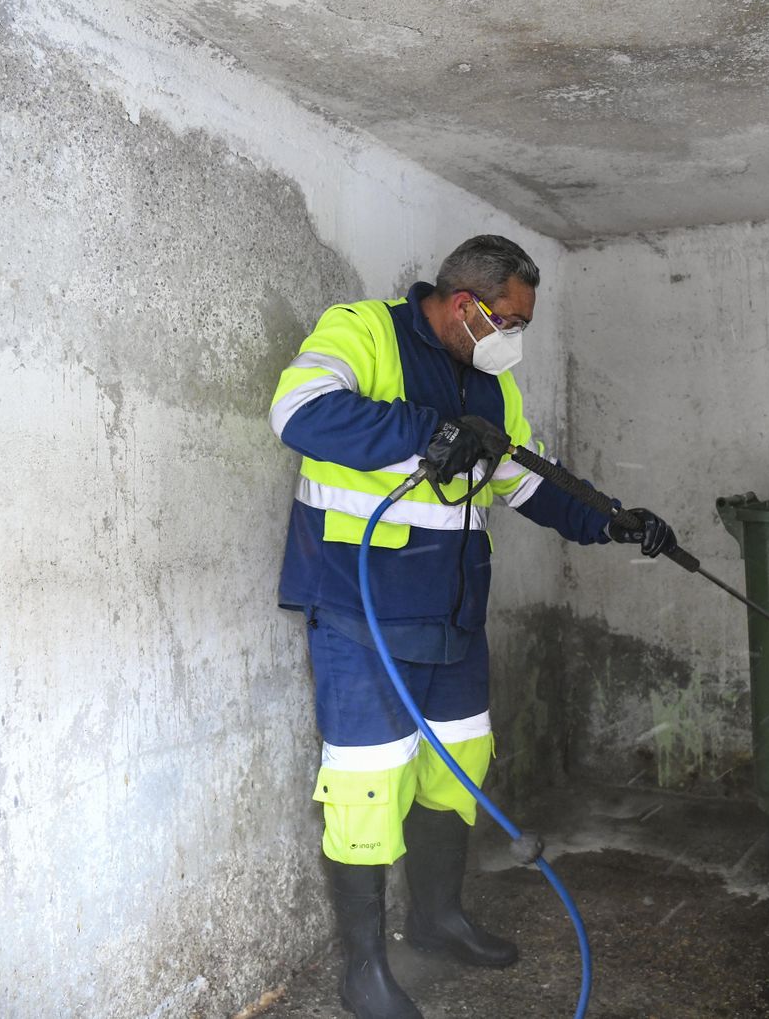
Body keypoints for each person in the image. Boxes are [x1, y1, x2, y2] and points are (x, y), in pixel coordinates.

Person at [269, 234, 676, 1019]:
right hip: (364, 617)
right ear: (465, 305)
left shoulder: (493, 390)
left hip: (455, 616)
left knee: (455, 770)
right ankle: (364, 969)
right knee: (366, 786)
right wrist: (424, 433)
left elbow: (529, 480)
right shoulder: (363, 331)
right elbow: (300, 411)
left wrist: (615, 521)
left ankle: (437, 917)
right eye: (509, 321)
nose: (514, 337)